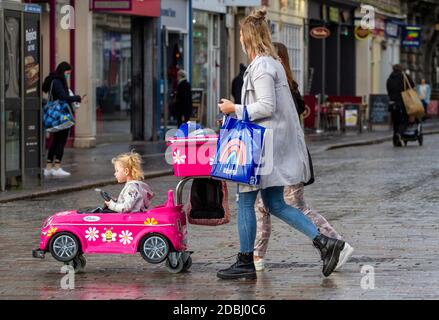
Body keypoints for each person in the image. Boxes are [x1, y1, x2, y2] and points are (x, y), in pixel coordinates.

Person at [217, 8, 345, 280]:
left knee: (245, 200)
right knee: (275, 203)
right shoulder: (270, 63)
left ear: (247, 37)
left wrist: (234, 109)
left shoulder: (263, 66)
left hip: (261, 147)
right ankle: (326, 244)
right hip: (270, 144)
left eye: (240, 34)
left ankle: (245, 262)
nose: (239, 39)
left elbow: (266, 106)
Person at [252, 42, 354, 272]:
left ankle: (338, 243)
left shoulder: (284, 86)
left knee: (296, 206)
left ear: (279, 59)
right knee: (264, 206)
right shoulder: (286, 84)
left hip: (286, 157)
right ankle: (256, 256)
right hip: (283, 156)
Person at [42, 62, 83, 177]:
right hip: (61, 115)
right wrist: (77, 98)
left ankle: (49, 167)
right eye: (67, 73)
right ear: (63, 71)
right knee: (61, 140)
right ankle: (57, 167)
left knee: (55, 140)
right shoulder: (58, 82)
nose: (68, 76)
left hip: (54, 115)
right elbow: (63, 97)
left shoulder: (52, 80)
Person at [386, 64, 415, 147]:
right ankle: (399, 134)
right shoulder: (405, 76)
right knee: (404, 120)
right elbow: (412, 85)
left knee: (395, 122)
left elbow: (388, 90)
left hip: (392, 103)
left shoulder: (389, 79)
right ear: (401, 69)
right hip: (402, 102)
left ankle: (396, 141)